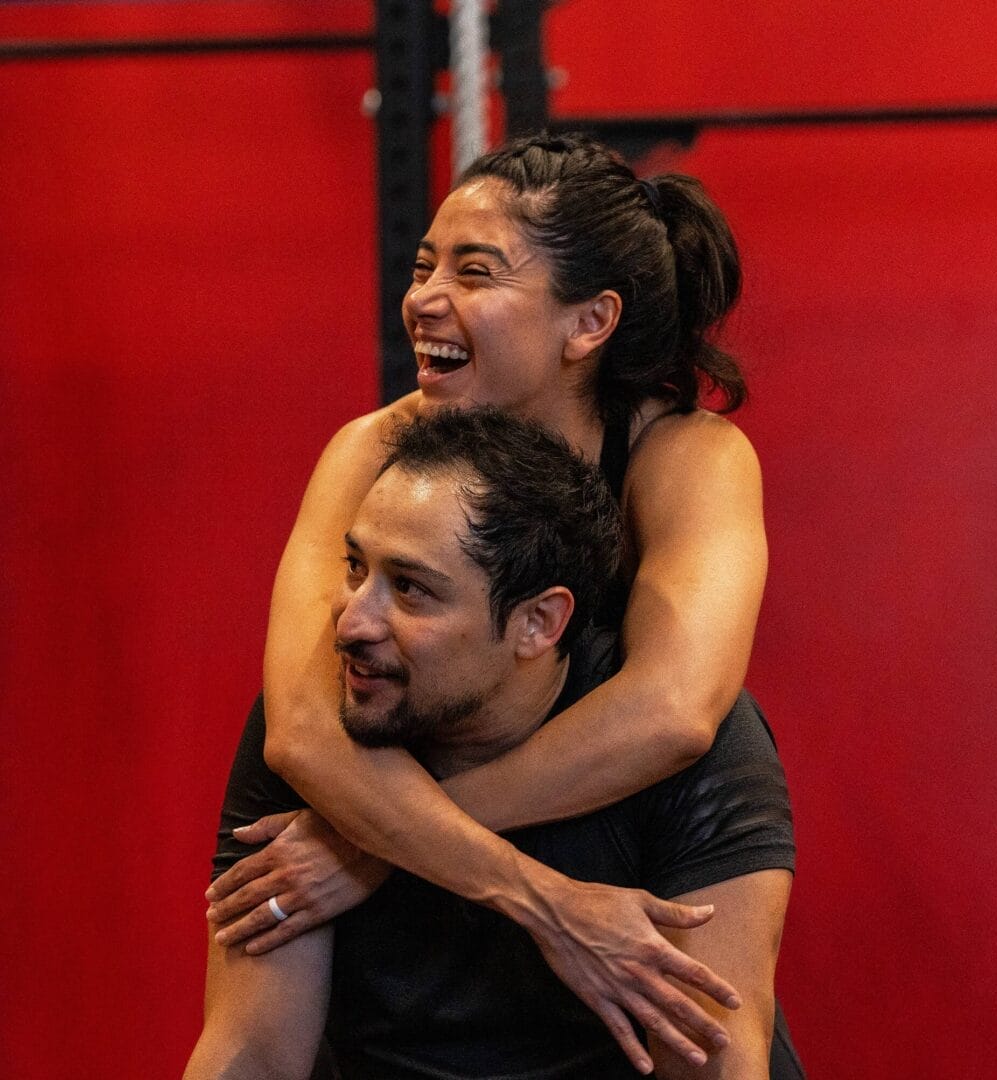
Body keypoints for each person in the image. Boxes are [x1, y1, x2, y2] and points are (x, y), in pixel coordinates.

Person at [204, 133, 773, 1071]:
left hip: (624, 828)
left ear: (588, 323)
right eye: (425, 264)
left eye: (474, 272)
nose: (424, 296)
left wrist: (376, 844)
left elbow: (672, 711)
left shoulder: (687, 457)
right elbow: (303, 733)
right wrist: (522, 887)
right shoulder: (368, 451)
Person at [185, 407, 799, 1079]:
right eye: (355, 568)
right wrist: (548, 904)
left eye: (412, 590)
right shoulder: (328, 732)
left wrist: (381, 839)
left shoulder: (702, 750)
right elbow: (254, 1055)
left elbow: (712, 1066)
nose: (351, 621)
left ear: (539, 623)